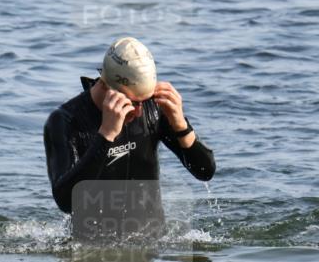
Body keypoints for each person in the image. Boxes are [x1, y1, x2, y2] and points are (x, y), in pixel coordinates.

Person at [44, 38, 215, 231]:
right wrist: (106, 135)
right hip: (91, 243)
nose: (140, 111)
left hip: (152, 239)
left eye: (145, 100)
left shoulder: (154, 108)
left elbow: (205, 172)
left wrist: (181, 126)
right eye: (132, 102)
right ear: (106, 86)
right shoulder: (65, 121)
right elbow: (66, 202)